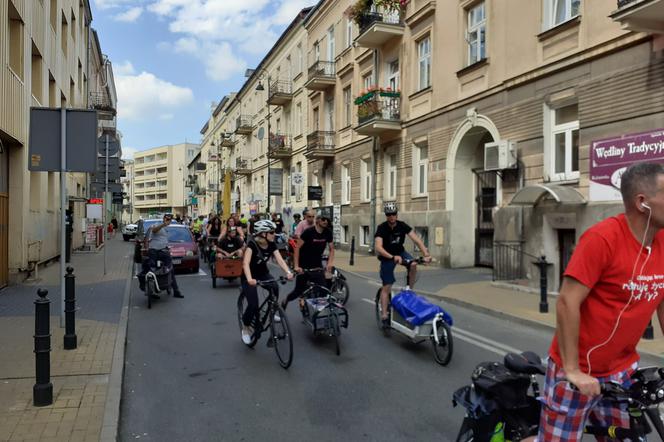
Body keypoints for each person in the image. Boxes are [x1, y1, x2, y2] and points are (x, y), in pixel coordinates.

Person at [531, 162, 664, 442]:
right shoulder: (602, 239)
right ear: (643, 203)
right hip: (576, 371)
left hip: (622, 370)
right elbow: (567, 302)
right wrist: (572, 370)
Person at [375, 202, 431, 329]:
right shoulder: (382, 228)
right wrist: (392, 257)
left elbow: (416, 239)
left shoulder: (402, 225)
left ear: (397, 214)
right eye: (389, 214)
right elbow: (378, 247)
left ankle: (409, 290)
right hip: (387, 256)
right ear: (386, 216)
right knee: (387, 287)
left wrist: (426, 254)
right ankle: (384, 315)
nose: (392, 217)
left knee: (413, 264)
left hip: (400, 252)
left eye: (394, 214)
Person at [240, 220, 293, 344]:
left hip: (262, 273)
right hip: (249, 276)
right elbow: (245, 263)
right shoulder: (252, 245)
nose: (274, 234)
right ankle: (246, 328)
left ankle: (272, 310)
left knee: (275, 287)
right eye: (272, 232)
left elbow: (279, 259)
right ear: (263, 234)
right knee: (253, 304)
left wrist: (288, 272)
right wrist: (249, 279)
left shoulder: (271, 244)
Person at [282, 212, 335, 311]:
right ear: (318, 220)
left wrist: (330, 263)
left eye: (327, 220)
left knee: (324, 290)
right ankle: (286, 300)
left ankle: (318, 314)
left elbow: (332, 249)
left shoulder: (328, 232)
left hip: (317, 265)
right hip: (304, 265)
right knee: (297, 292)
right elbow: (297, 248)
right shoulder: (308, 232)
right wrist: (297, 266)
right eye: (323, 219)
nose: (325, 221)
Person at [138, 213, 183, 298]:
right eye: (166, 219)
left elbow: (165, 241)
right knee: (151, 268)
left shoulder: (167, 230)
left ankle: (176, 291)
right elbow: (154, 230)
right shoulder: (157, 224)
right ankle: (151, 290)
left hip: (163, 251)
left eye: (169, 220)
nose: (167, 221)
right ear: (163, 219)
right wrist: (163, 224)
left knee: (170, 268)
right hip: (154, 250)